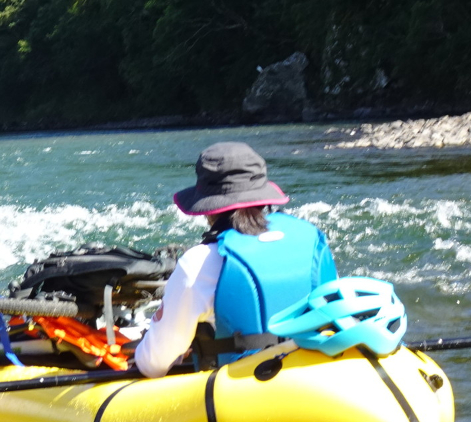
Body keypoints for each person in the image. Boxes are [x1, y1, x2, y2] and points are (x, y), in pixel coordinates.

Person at [133, 141, 336, 378]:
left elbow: (153, 364)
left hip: (247, 391)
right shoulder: (312, 240)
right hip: (319, 377)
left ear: (208, 206)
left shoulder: (198, 263)